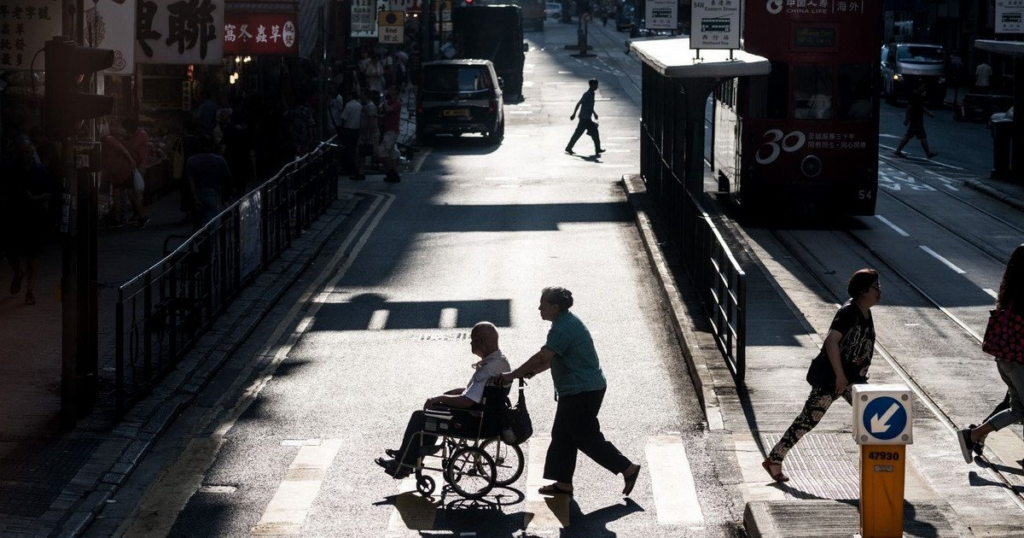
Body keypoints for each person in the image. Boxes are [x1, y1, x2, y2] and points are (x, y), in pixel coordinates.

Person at [499, 287, 641, 497]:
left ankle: (627, 468)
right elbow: (554, 357)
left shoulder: (563, 328)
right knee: (562, 436)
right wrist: (533, 372)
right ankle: (563, 484)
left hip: (582, 391)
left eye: (543, 304)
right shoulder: (564, 323)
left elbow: (543, 357)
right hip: (579, 390)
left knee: (586, 438)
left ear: (555, 307)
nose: (539, 308)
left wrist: (512, 375)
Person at [763, 269, 881, 482]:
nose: (879, 291)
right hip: (833, 379)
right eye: (875, 287)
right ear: (864, 290)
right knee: (809, 419)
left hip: (853, 380)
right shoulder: (848, 312)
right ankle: (775, 459)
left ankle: (876, 468)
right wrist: (839, 376)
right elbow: (831, 341)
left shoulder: (865, 312)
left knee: (874, 418)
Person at [375, 322, 511, 478]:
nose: (470, 342)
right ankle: (407, 455)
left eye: (472, 339)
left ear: (481, 341)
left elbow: (467, 401)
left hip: (472, 422)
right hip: (487, 418)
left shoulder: (487, 368)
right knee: (433, 413)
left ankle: (403, 462)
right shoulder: (501, 362)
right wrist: (459, 392)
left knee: (420, 417)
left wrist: (440, 398)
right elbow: (481, 393)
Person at [957, 245, 1024, 463]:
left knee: (1017, 410)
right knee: (1018, 409)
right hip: (1019, 363)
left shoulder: (1010, 291)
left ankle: (974, 434)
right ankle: (974, 434)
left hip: (1006, 360)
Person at [1, 136, 53, 305]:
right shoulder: (9, 168)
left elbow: (48, 193)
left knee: (33, 255)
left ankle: (30, 290)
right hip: (14, 216)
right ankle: (18, 272)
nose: (26, 155)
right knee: (10, 251)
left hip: (33, 217)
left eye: (29, 152)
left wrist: (34, 198)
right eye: (23, 152)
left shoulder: (40, 170)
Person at [101, 133, 148, 228]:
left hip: (122, 171)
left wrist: (131, 161)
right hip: (117, 172)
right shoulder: (106, 140)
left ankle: (139, 217)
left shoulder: (108, 139)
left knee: (128, 194)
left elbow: (123, 149)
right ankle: (120, 219)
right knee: (119, 195)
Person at [185, 136, 232, 227]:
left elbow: (191, 181)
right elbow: (227, 179)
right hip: (213, 194)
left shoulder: (191, 161)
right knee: (211, 225)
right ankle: (211, 240)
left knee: (197, 227)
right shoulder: (219, 160)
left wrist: (194, 198)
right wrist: (226, 198)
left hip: (197, 194)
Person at [894, 82, 938, 160]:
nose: (924, 88)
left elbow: (921, 106)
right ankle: (928, 153)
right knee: (922, 136)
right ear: (919, 87)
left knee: (908, 135)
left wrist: (928, 113)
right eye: (923, 87)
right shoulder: (915, 95)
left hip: (916, 119)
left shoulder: (919, 95)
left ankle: (898, 150)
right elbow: (909, 107)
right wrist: (907, 118)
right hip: (916, 119)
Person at [565, 79, 605, 156]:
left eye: (597, 84)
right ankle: (569, 147)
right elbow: (579, 103)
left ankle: (597, 149)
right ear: (591, 85)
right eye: (595, 85)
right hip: (584, 119)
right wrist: (573, 114)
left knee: (592, 132)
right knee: (579, 133)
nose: (596, 86)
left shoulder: (592, 94)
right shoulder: (587, 94)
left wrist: (594, 113)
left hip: (587, 119)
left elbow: (589, 106)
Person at [379, 85, 402, 183]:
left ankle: (390, 172)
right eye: (389, 88)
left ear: (396, 92)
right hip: (387, 130)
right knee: (391, 154)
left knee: (381, 152)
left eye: (392, 89)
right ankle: (394, 175)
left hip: (392, 131)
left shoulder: (397, 103)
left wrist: (383, 99)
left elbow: (388, 110)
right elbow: (385, 114)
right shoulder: (389, 102)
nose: (389, 90)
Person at [340, 90, 363, 180]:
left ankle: (349, 167)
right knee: (353, 149)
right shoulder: (359, 105)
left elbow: (344, 118)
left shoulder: (348, 105)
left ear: (350, 95)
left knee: (348, 149)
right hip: (356, 129)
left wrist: (342, 127)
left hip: (348, 129)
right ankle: (354, 167)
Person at [357, 90, 379, 180]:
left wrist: (367, 134)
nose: (360, 95)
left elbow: (371, 121)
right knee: (361, 153)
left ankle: (390, 170)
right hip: (365, 133)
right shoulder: (366, 105)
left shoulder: (370, 106)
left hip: (369, 134)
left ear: (365, 95)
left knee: (375, 152)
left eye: (362, 94)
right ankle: (360, 172)